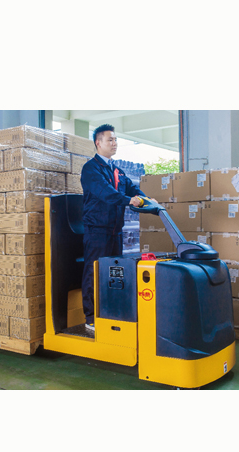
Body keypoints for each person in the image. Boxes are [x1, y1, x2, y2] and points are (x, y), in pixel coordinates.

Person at [80, 124, 154, 333]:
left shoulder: (117, 170)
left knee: (114, 274)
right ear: (98, 143)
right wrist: (130, 200)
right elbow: (105, 193)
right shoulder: (91, 169)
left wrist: (148, 200)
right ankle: (91, 317)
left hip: (115, 231)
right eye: (110, 140)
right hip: (97, 230)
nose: (114, 143)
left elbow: (132, 188)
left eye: (115, 140)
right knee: (94, 272)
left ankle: (109, 313)